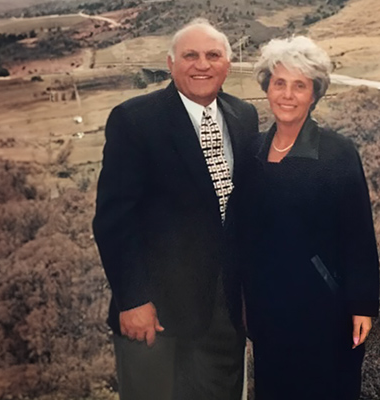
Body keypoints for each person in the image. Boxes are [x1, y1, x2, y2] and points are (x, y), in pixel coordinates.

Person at [92, 18, 258, 400]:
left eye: (213, 55)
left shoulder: (243, 117)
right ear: (170, 63)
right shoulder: (134, 120)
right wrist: (133, 299)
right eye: (190, 55)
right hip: (156, 312)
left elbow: (244, 214)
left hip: (223, 312)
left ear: (227, 65)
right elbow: (114, 220)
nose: (202, 64)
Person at [236, 36, 380, 400]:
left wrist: (362, 304)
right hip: (268, 311)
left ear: (314, 94)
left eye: (299, 85)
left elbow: (359, 234)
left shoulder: (337, 153)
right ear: (266, 87)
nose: (287, 94)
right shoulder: (252, 151)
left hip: (323, 309)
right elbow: (242, 233)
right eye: (279, 83)